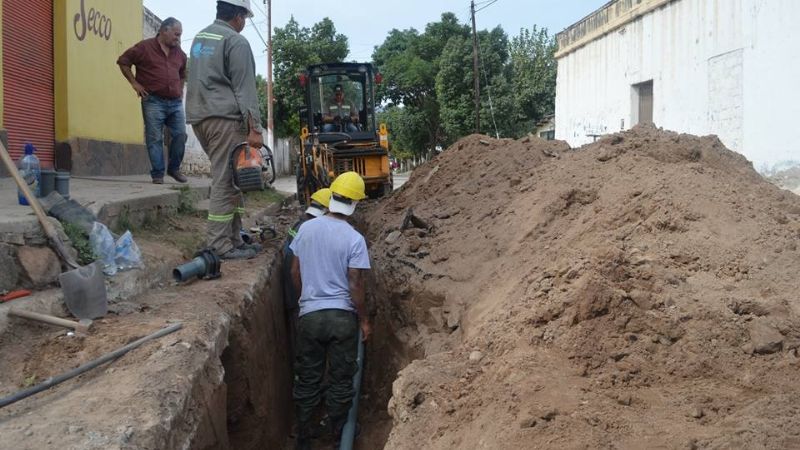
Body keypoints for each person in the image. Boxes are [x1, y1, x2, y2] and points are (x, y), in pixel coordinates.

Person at [289, 172, 371, 449]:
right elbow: (355, 283)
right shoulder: (355, 239)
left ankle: (304, 435)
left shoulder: (305, 229)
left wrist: (305, 301)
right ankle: (338, 435)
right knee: (341, 379)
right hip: (342, 318)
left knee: (308, 377)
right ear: (355, 203)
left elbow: (295, 272)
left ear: (332, 196)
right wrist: (364, 320)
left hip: (310, 316)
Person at [185, 0, 263, 260]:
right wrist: (255, 128)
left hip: (200, 117)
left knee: (232, 179)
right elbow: (245, 88)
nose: (244, 23)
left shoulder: (201, 38)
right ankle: (220, 245)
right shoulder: (236, 41)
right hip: (225, 119)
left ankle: (234, 238)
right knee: (226, 180)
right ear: (239, 16)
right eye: (245, 18)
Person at [117, 17, 188, 185]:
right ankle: (158, 173)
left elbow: (182, 74)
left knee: (180, 135)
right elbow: (123, 62)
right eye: (176, 34)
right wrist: (135, 84)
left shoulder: (180, 54)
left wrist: (180, 90)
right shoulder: (144, 47)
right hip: (153, 101)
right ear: (164, 31)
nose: (178, 38)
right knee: (154, 137)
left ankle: (174, 169)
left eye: (180, 35)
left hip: (175, 102)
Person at [282, 188, 332, 352]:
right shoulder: (310, 229)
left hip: (293, 292)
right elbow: (296, 270)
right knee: (308, 345)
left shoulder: (299, 224)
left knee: (302, 341)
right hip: (301, 294)